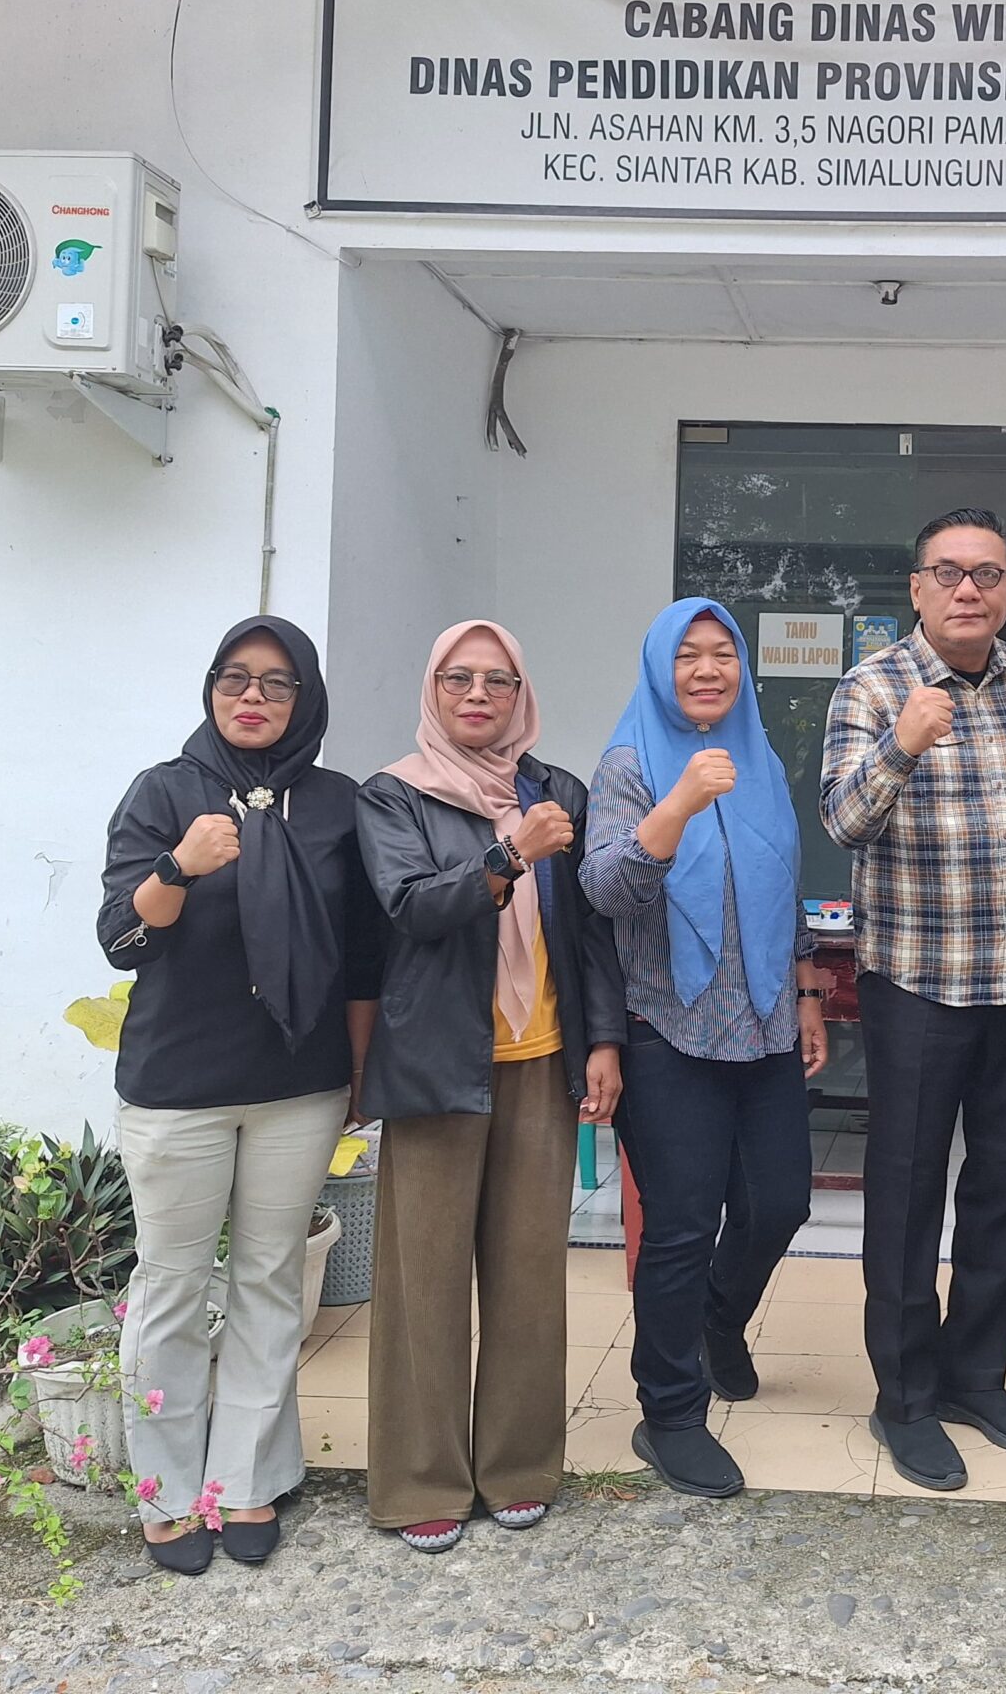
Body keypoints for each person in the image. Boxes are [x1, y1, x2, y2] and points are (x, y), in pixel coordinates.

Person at [95, 615, 384, 1576]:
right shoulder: (165, 792)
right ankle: (166, 1489)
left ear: (307, 697)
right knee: (172, 1287)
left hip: (299, 1086)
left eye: (276, 682)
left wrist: (357, 1076)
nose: (253, 696)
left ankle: (247, 1478)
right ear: (212, 689)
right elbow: (121, 939)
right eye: (235, 678)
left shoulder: (338, 804)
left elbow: (362, 960)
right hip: (179, 1088)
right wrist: (179, 865)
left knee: (269, 1281)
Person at [820, 507, 1006, 1492]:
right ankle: (904, 1396)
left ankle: (976, 1375)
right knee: (905, 1192)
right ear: (917, 588)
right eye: (947, 572)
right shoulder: (871, 685)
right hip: (917, 982)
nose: (966, 589)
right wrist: (900, 743)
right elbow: (843, 821)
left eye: (986, 574)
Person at [353, 620, 624, 1554]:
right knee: (423, 1281)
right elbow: (410, 907)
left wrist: (603, 1042)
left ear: (521, 695)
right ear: (433, 690)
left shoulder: (558, 792)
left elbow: (590, 936)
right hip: (437, 1064)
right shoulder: (393, 794)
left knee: (527, 1275)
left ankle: (518, 1465)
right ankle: (421, 1478)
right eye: (459, 679)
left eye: (498, 681)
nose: (478, 695)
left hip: (541, 1060)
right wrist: (508, 857)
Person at [581, 599, 830, 1501]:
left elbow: (783, 885)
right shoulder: (628, 765)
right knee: (681, 1228)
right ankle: (670, 1414)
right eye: (687, 655)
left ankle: (720, 1322)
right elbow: (605, 888)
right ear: (660, 668)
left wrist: (808, 990)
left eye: (723, 654)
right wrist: (679, 804)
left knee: (780, 1204)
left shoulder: (760, 760)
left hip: (764, 1023)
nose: (707, 670)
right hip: (667, 1028)